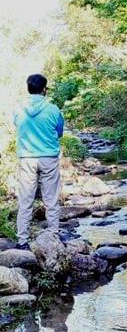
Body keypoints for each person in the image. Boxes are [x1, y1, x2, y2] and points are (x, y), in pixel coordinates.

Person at [13, 74, 64, 250]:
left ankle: (22, 241)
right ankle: (53, 235)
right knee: (51, 199)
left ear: (28, 88)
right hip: (48, 157)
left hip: (26, 158)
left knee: (25, 200)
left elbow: (17, 127)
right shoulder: (53, 109)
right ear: (44, 89)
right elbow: (59, 133)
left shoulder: (18, 108)